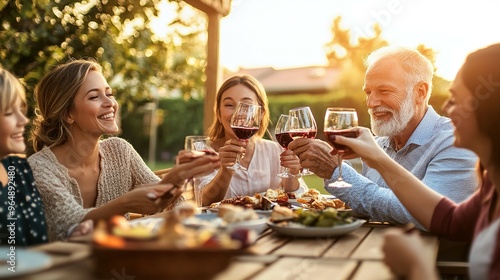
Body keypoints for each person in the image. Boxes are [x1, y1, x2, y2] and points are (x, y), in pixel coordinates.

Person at [332, 43, 500, 280]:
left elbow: (423, 219)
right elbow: (449, 219)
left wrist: (418, 268)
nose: (449, 112)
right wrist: (370, 159)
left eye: (455, 99)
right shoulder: (492, 186)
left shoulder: (448, 141)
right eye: (368, 92)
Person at [28, 59, 220, 241]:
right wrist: (125, 203)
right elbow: (70, 226)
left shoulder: (119, 150)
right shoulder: (39, 168)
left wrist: (178, 176)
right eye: (94, 96)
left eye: (109, 94)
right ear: (67, 114)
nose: (110, 103)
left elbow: (163, 202)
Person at [289, 46, 478, 230]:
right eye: (368, 92)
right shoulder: (380, 143)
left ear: (420, 92)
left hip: (432, 260)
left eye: (384, 91)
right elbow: (375, 206)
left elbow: (425, 215)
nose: (371, 103)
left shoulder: (456, 141)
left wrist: (336, 170)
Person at [195, 75, 308, 206]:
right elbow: (203, 202)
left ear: (261, 114)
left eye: (247, 105)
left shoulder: (276, 150)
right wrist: (225, 170)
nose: (238, 113)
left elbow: (299, 200)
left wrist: (293, 173)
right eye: (229, 105)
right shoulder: (203, 152)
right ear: (218, 113)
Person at [0, 66, 48, 246]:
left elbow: (36, 245)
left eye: (21, 110)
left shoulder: (20, 169)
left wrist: (74, 234)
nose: (24, 120)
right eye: (10, 113)